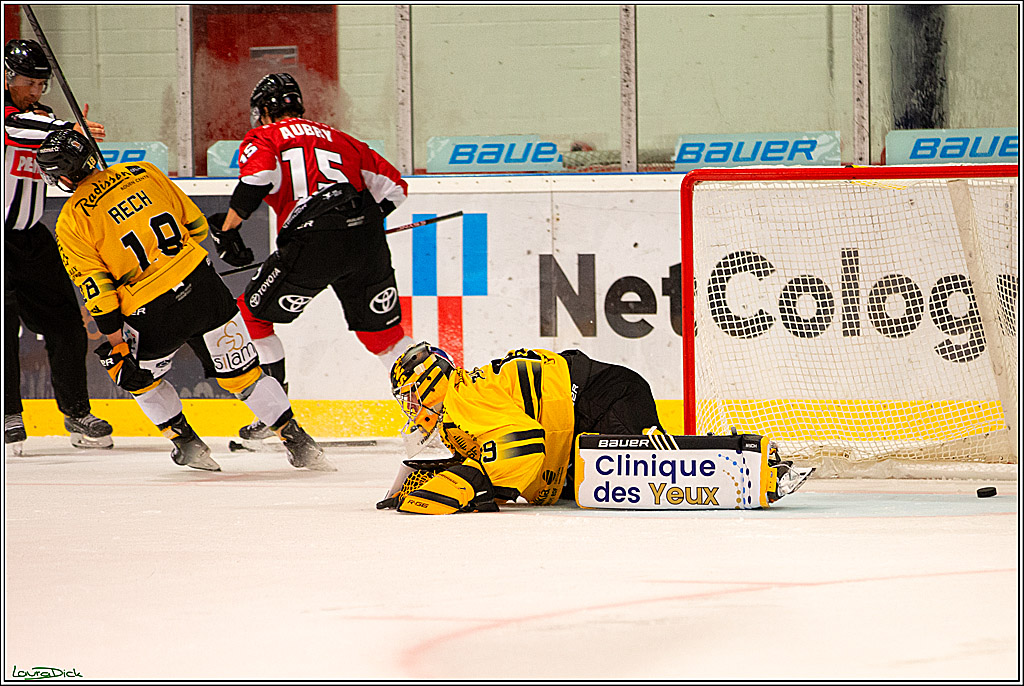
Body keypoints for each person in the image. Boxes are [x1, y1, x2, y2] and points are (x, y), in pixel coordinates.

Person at [36, 128, 334, 472]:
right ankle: (299, 442)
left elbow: (98, 291)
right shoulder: (143, 172)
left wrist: (116, 341)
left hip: (151, 311)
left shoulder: (72, 219)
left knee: (138, 379)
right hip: (204, 285)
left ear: (60, 174)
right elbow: (195, 225)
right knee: (246, 375)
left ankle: (188, 444)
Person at [206, 72, 414, 448]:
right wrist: (358, 223)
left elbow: (259, 178)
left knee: (253, 316)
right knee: (384, 337)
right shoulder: (342, 139)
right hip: (366, 241)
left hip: (311, 240)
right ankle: (430, 415)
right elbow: (395, 189)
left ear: (265, 111)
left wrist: (229, 228)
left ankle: (274, 419)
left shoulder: (263, 137)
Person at [376, 343, 669, 514]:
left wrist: (464, 484)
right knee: (596, 491)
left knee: (655, 478)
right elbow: (499, 462)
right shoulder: (456, 421)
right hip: (585, 416)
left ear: (431, 382)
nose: (411, 406)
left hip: (607, 398)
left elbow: (524, 445)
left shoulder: (461, 398)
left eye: (410, 393)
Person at [4, 38, 114, 454]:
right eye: (29, 83)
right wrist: (69, 130)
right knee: (4, 329)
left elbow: (52, 175)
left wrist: (73, 155)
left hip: (32, 238)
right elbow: (14, 130)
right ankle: (9, 414)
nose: (36, 92)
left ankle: (77, 412)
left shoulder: (45, 118)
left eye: (42, 85)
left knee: (66, 324)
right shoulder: (21, 119)